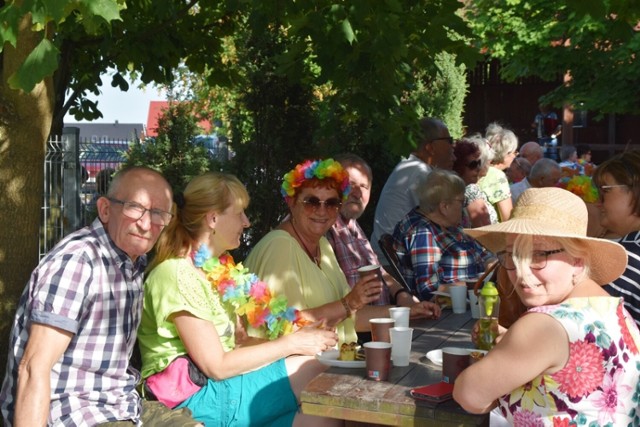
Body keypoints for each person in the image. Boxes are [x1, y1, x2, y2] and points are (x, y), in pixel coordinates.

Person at [0, 167, 200, 426]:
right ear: (105, 209)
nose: (146, 223)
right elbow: (33, 367)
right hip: (71, 412)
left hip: (121, 404)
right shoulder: (79, 262)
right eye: (134, 207)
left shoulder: (131, 263)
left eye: (158, 213)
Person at [137, 172, 339, 426]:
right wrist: (293, 344)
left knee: (322, 418)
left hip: (223, 390)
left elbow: (239, 343)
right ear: (213, 218)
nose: (246, 222)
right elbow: (216, 366)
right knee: (314, 367)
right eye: (240, 212)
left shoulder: (219, 270)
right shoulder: (176, 274)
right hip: (191, 400)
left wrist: (310, 340)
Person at [453, 187, 640, 425]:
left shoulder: (544, 325)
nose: (521, 272)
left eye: (539, 255)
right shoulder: (614, 309)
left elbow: (469, 394)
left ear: (578, 260)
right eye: (512, 255)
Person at [245, 159, 441, 346]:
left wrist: (404, 312)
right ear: (291, 203)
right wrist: (348, 303)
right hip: (298, 371)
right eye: (311, 202)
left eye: (331, 203)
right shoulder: (280, 247)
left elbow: (349, 316)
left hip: (335, 359)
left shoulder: (323, 245)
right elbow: (281, 329)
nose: (322, 211)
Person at [326, 153, 422, 307]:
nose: (357, 193)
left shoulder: (353, 225)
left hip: (381, 322)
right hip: (358, 327)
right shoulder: (324, 230)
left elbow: (378, 270)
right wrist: (398, 313)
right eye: (350, 184)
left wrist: (401, 294)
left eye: (364, 186)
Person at [392, 169, 493, 300]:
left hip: (473, 299)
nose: (464, 207)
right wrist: (475, 284)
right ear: (444, 206)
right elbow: (429, 289)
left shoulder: (450, 225)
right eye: (462, 202)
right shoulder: (422, 232)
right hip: (450, 312)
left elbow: (483, 256)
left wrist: (493, 266)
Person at [370, 118, 454, 261]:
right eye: (449, 140)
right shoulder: (420, 173)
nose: (452, 147)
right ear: (430, 147)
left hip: (392, 258)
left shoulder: (411, 167)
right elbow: (441, 222)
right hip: (396, 264)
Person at [593, 150, 640, 326]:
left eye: (605, 191)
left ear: (635, 191)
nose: (598, 202)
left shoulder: (626, 258)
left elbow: (601, 328)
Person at [452, 136, 498, 228]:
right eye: (473, 165)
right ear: (459, 166)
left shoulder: (466, 188)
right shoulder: (470, 190)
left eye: (479, 163)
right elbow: (483, 230)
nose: (478, 168)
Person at [477, 123, 518, 222]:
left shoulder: (479, 169)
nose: (515, 156)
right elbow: (507, 218)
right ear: (507, 153)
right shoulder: (498, 176)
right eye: (515, 152)